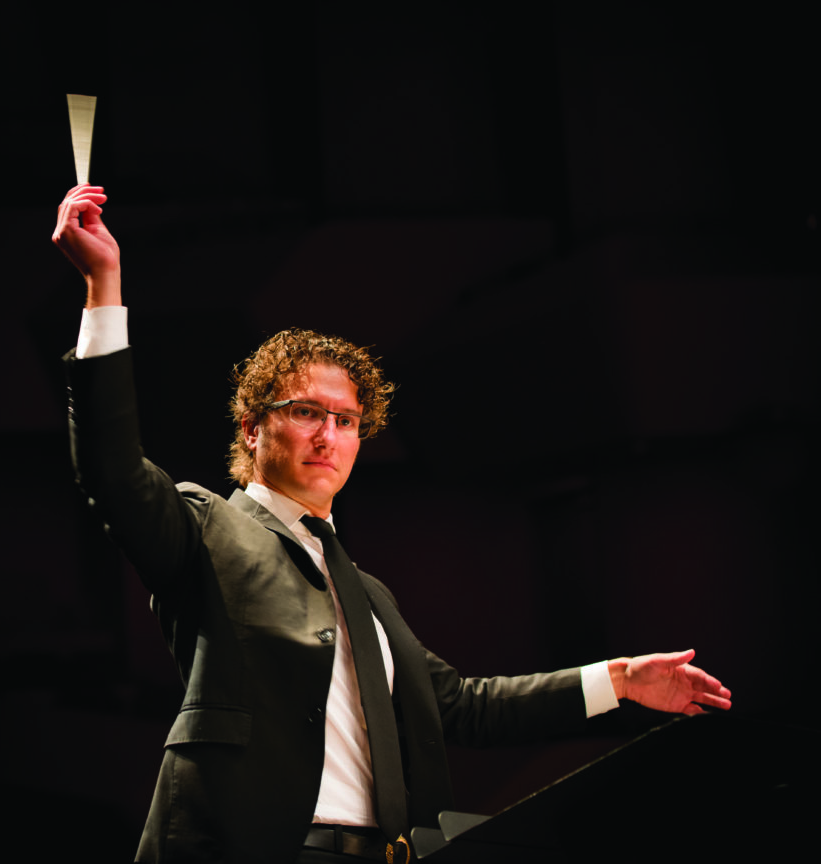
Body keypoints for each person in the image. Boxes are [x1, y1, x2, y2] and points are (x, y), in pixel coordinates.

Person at [53, 184, 732, 864]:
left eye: (345, 420)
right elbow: (112, 470)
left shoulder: (366, 594)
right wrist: (103, 285)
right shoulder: (206, 527)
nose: (328, 435)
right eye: (305, 412)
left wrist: (620, 680)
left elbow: (463, 706)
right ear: (253, 428)